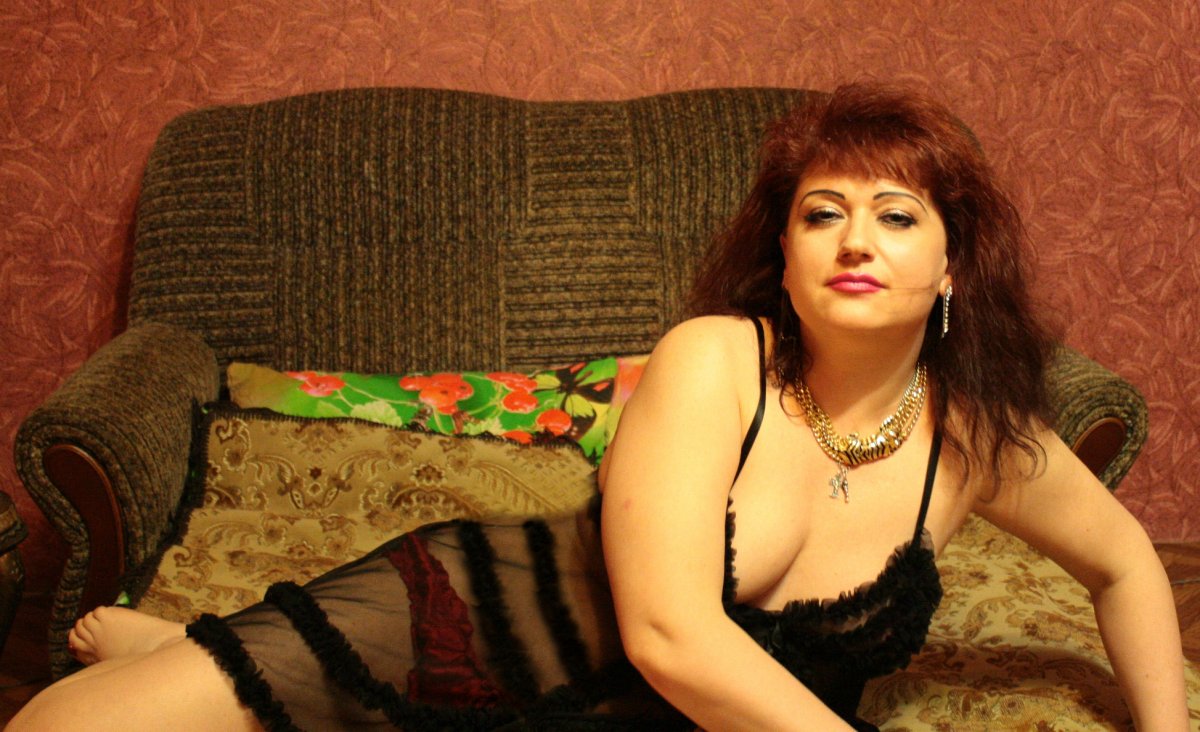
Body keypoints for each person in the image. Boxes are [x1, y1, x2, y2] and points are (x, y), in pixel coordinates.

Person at [9, 83, 1188, 732]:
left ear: (952, 265)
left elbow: (1127, 565)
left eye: (897, 215)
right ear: (782, 256)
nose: (854, 241)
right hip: (483, 629)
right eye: (822, 213)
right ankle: (210, 646)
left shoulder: (977, 438)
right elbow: (671, 635)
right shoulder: (717, 360)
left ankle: (204, 648)